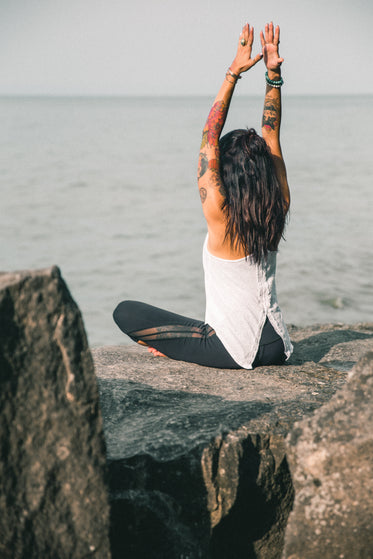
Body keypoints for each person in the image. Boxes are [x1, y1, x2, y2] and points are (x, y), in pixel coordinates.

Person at [113, 21, 293, 369]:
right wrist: (273, 77)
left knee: (125, 312)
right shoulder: (278, 204)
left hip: (234, 350)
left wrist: (233, 73)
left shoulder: (220, 213)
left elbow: (209, 137)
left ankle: (183, 347)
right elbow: (271, 137)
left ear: (226, 173)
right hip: (278, 346)